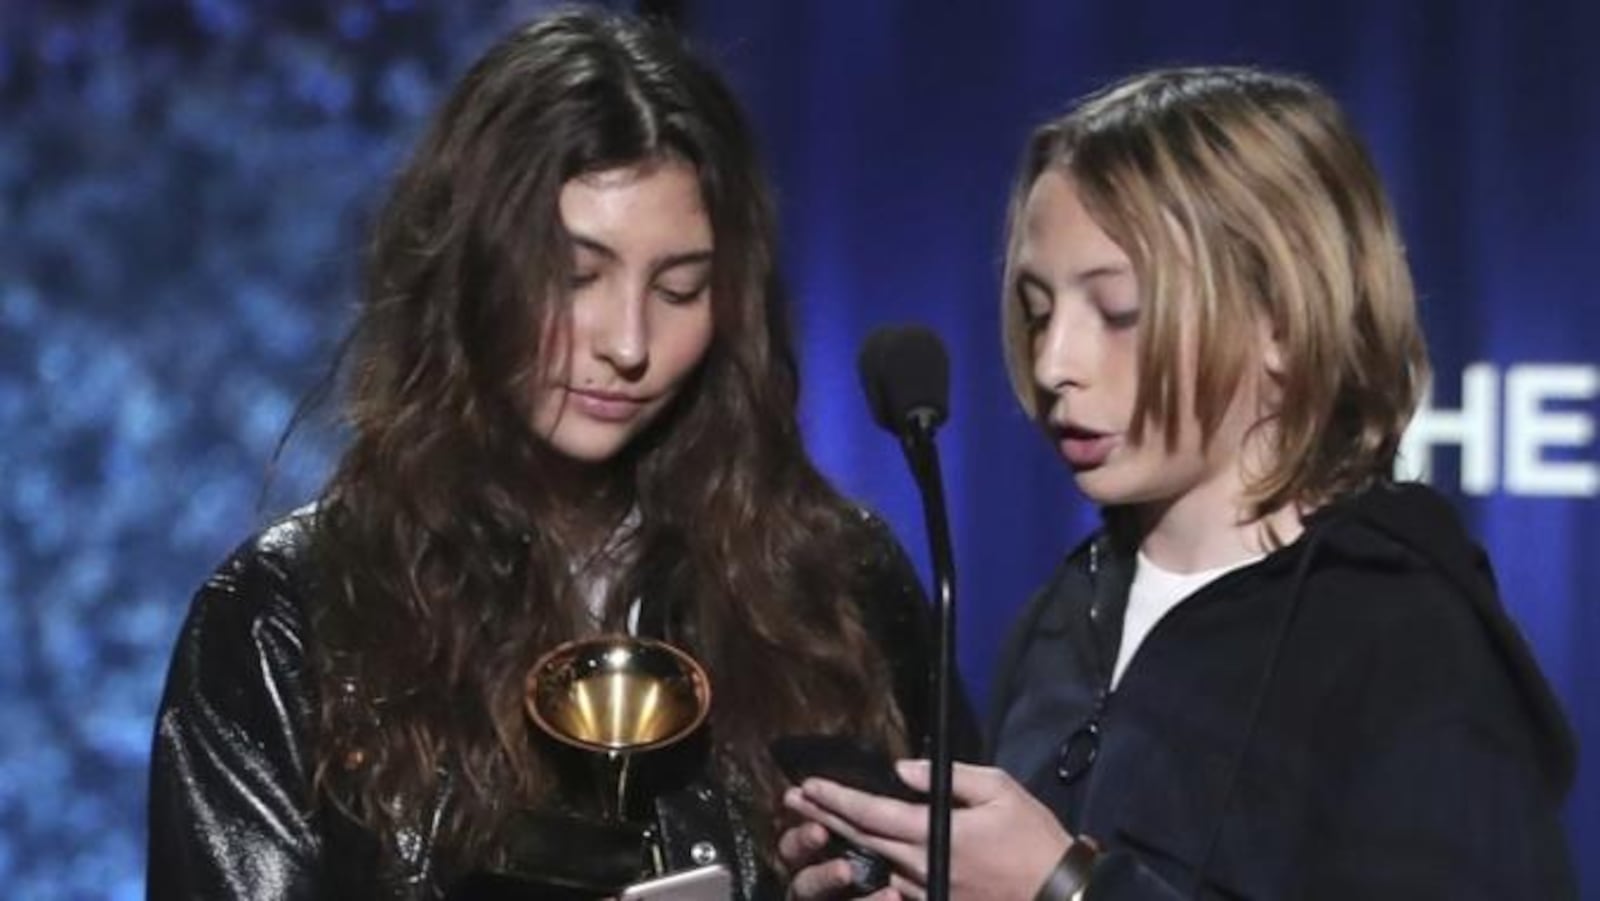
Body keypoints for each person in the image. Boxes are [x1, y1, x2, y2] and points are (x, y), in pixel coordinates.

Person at [147, 9, 977, 899]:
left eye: (679, 287)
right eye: (576, 276)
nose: (628, 341)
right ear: (470, 271)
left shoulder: (836, 586)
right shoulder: (291, 620)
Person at [780, 67, 1577, 899]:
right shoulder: (1070, 613)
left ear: (1282, 319)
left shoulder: (1407, 643)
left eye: (1117, 311)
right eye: (1039, 308)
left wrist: (1069, 888)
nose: (1055, 364)